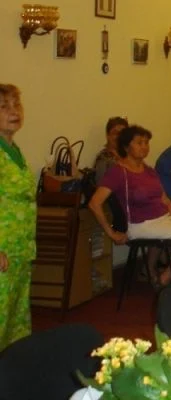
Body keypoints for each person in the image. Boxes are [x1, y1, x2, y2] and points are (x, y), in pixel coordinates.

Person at [89, 126, 171, 283]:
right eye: (139, 143)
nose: (144, 146)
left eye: (146, 143)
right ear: (126, 146)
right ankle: (165, 277)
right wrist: (111, 233)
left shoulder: (149, 171)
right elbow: (94, 203)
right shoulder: (118, 172)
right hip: (140, 225)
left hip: (163, 219)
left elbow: (165, 200)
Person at [0, 84, 36, 351]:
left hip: (20, 249)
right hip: (3, 251)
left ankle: (13, 370)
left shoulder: (13, 150)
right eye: (4, 107)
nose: (14, 111)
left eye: (17, 105)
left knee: (16, 319)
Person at [93, 116, 128, 182]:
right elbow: (101, 184)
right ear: (108, 135)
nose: (119, 136)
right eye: (115, 133)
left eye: (122, 133)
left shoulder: (130, 156)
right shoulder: (104, 158)